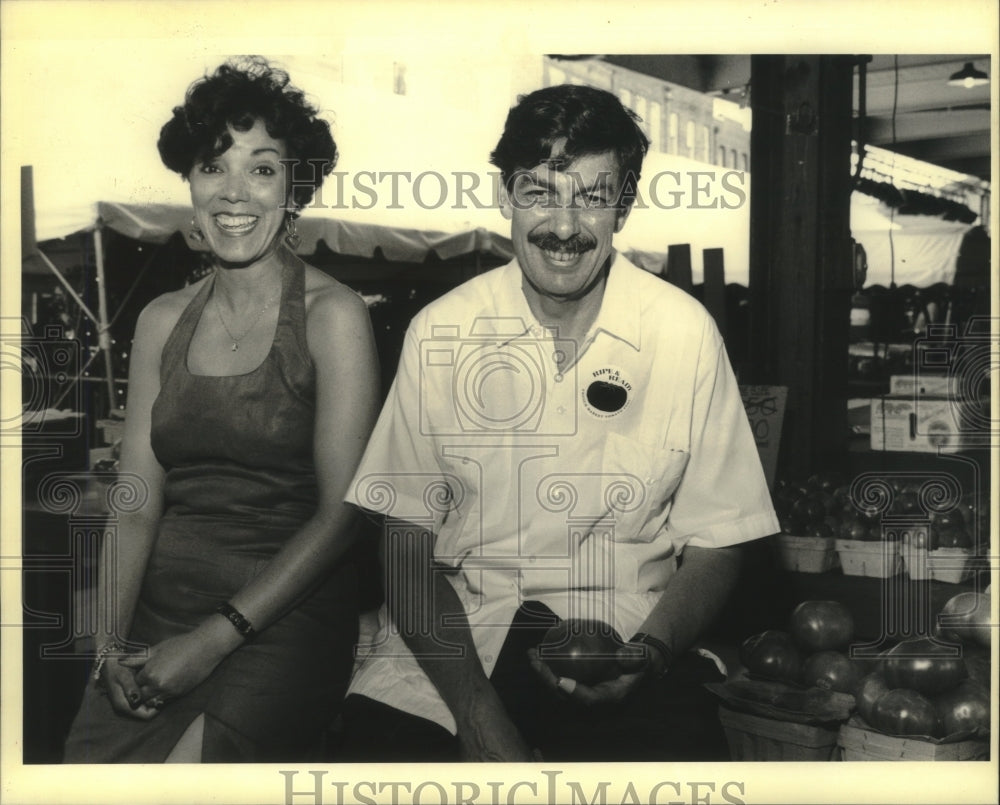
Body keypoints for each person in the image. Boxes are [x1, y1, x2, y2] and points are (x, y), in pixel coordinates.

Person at [338, 84, 778, 763]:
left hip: (625, 633)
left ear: (623, 206)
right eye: (540, 192)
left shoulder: (683, 332)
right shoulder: (442, 331)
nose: (565, 227)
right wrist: (476, 714)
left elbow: (719, 542)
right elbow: (403, 543)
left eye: (592, 196)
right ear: (506, 196)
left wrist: (651, 653)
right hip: (459, 640)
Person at [62, 57, 379, 763]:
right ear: (191, 181)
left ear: (293, 187)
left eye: (262, 169)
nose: (234, 191)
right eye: (213, 166)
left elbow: (343, 516)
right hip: (159, 610)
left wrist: (213, 639)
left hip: (285, 620)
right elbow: (135, 504)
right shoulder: (159, 320)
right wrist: (107, 644)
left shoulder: (334, 316)